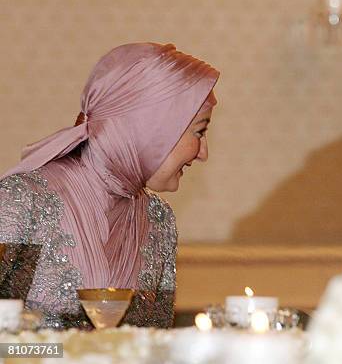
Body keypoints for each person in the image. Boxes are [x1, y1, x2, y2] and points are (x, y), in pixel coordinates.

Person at [0, 42, 219, 328]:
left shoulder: (159, 220)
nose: (203, 153)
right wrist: (61, 353)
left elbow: (150, 345)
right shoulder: (24, 201)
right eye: (199, 132)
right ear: (152, 126)